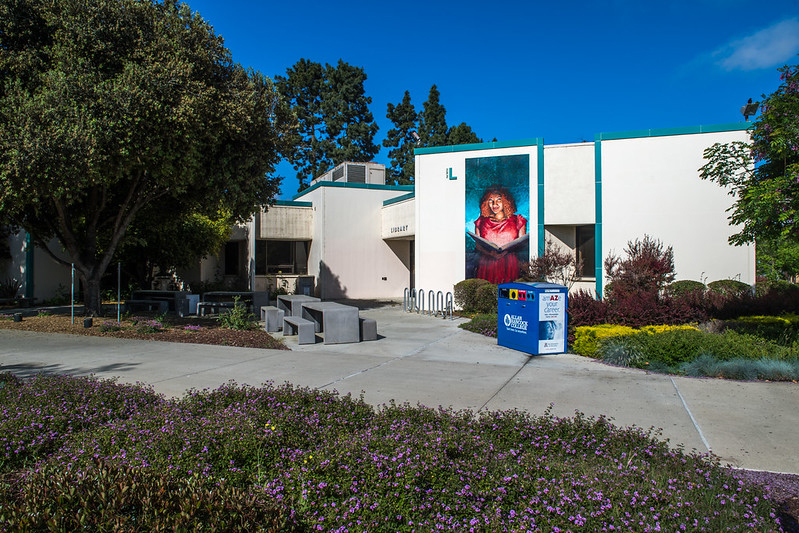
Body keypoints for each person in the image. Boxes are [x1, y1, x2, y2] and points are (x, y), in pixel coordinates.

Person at [473, 185, 527, 283]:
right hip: (487, 264)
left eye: (499, 199)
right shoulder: (481, 221)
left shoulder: (518, 220)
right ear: (486, 203)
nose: (494, 204)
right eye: (490, 200)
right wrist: (490, 253)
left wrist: (506, 252)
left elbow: (521, 243)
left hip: (509, 263)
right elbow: (478, 245)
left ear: (506, 201)